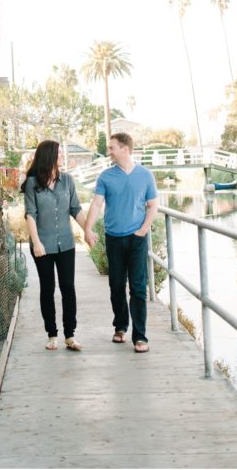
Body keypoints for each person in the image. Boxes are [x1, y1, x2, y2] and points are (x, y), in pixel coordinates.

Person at [84, 132, 158, 353]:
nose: (109, 152)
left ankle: (140, 336)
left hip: (137, 239)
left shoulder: (145, 175)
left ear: (125, 149)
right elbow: (97, 205)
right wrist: (87, 228)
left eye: (112, 148)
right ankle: (120, 326)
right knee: (116, 285)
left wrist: (143, 231)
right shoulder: (106, 177)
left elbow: (153, 205)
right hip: (113, 238)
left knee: (137, 287)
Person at [22, 140, 88, 351]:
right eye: (59, 153)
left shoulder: (67, 180)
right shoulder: (32, 183)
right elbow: (30, 215)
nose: (62, 156)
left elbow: (75, 209)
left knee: (68, 287)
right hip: (42, 244)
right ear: (49, 156)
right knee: (47, 288)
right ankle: (52, 335)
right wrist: (37, 243)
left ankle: (70, 335)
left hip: (66, 243)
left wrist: (88, 231)